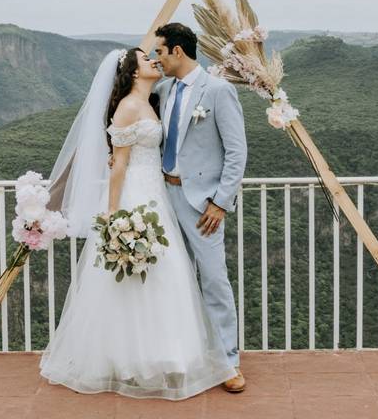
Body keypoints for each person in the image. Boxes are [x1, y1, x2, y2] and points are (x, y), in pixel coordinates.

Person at [39, 46, 238, 400]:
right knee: (138, 281)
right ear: (132, 72)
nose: (154, 62)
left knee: (166, 274)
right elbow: (118, 165)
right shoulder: (129, 106)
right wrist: (114, 216)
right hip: (134, 196)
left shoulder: (153, 99)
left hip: (159, 197)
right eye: (147, 60)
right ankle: (134, 357)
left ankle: (168, 353)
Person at [152, 22, 247, 393]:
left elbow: (237, 152)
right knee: (172, 278)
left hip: (201, 202)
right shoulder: (162, 89)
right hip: (162, 196)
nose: (157, 59)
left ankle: (228, 362)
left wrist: (220, 203)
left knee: (213, 278)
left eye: (160, 51)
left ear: (177, 51)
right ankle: (180, 355)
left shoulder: (218, 91)